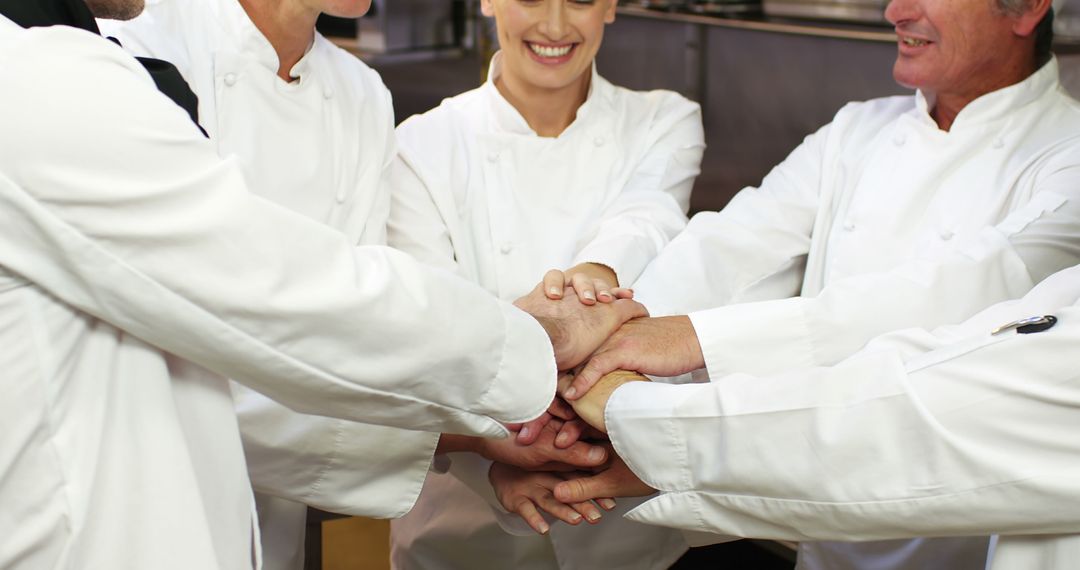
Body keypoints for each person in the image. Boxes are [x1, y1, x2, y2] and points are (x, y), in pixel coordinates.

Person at [0, 1, 647, 567]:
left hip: (247, 523)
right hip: (99, 516)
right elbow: (282, 297)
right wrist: (534, 344)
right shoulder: (57, 70)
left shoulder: (361, 93)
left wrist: (487, 428)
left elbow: (353, 337)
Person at [557, 0, 1080, 568]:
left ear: (1027, 8)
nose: (895, 11)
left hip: (953, 535)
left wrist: (691, 339)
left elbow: (955, 293)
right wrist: (606, 346)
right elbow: (738, 241)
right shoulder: (859, 128)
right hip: (814, 520)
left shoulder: (1070, 155)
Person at [384, 0, 705, 568]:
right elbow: (427, 334)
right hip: (461, 528)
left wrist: (589, 280)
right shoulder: (420, 145)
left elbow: (645, 217)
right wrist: (491, 462)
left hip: (623, 528)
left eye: (580, 0)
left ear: (610, 7)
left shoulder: (663, 120)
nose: (555, 26)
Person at [554, 261, 1080, 570]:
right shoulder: (858, 124)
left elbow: (914, 423)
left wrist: (634, 409)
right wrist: (620, 328)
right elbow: (943, 349)